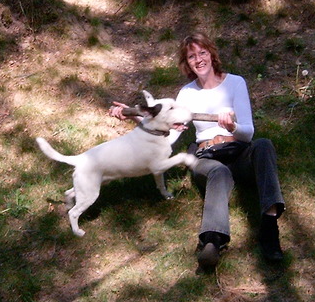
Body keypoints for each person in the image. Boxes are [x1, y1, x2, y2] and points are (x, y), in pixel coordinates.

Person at [110, 32, 285, 272]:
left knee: (263, 145)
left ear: (212, 54)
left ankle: (269, 228)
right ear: (187, 63)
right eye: (192, 56)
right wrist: (135, 116)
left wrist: (232, 126)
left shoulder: (236, 83)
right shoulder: (187, 94)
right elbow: (169, 133)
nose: (199, 59)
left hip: (239, 150)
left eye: (202, 52)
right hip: (207, 155)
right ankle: (212, 241)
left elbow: (249, 133)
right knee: (219, 172)